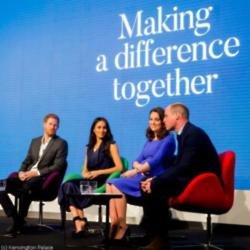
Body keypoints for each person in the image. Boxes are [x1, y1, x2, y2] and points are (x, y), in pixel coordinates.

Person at [138, 103, 221, 250]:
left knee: (158, 186)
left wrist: (157, 180)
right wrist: (155, 178)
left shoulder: (193, 134)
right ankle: (154, 234)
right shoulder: (183, 134)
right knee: (146, 182)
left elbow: (184, 167)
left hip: (205, 183)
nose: (164, 120)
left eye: (166, 116)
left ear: (177, 116)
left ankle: (160, 240)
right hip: (193, 177)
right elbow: (179, 165)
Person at [106, 107, 176, 241]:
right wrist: (137, 167)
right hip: (142, 174)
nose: (153, 122)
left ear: (163, 121)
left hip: (155, 177)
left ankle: (122, 226)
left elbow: (156, 161)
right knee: (110, 184)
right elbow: (136, 160)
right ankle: (115, 223)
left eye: (157, 119)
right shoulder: (149, 140)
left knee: (115, 184)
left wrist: (136, 170)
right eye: (151, 119)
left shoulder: (168, 139)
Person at [0, 113, 68, 237]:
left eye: (56, 125)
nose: (53, 127)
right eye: (51, 124)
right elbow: (27, 160)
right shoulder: (35, 141)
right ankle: (17, 219)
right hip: (26, 175)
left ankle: (17, 225)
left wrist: (35, 172)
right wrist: (21, 172)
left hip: (42, 178)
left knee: (26, 189)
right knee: (1, 185)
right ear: (44, 124)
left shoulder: (61, 143)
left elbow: (58, 166)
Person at [58, 117, 123, 238]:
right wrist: (85, 173)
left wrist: (99, 172)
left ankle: (80, 222)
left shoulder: (111, 145)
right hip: (90, 183)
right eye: (99, 127)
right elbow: (85, 169)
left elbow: (119, 167)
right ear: (94, 129)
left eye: (104, 127)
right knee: (66, 186)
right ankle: (79, 221)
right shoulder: (88, 147)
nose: (102, 130)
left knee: (70, 187)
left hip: (102, 184)